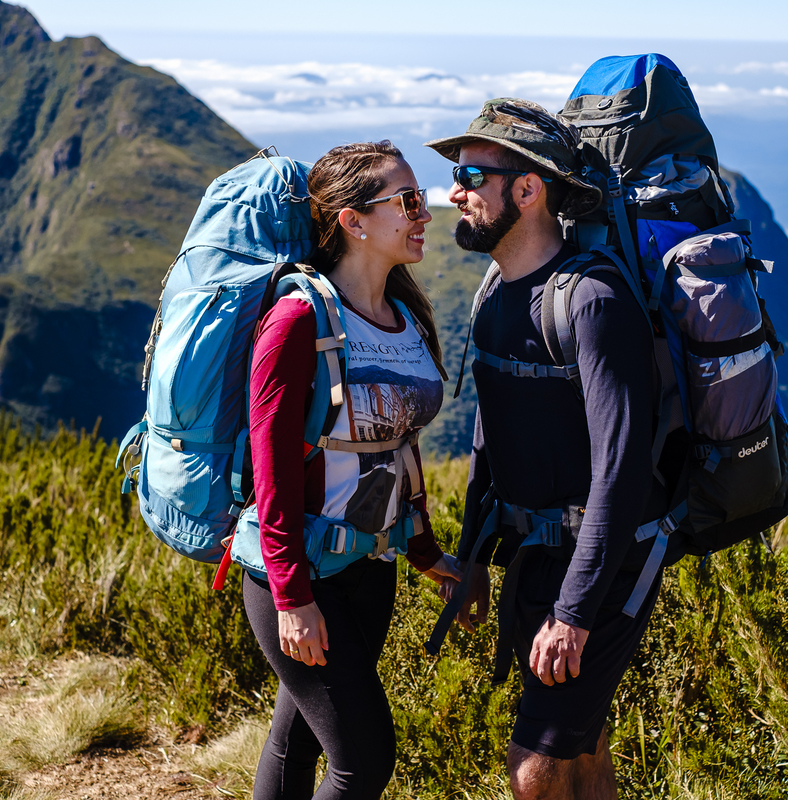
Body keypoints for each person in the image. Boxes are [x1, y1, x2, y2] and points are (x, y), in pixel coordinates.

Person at [425, 100, 676, 800]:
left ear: (529, 189)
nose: (455, 192)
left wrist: (573, 612)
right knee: (582, 744)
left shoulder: (593, 302)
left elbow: (621, 472)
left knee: (532, 768)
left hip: (609, 567)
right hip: (536, 557)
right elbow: (489, 439)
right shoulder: (495, 296)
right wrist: (475, 560)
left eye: (472, 174)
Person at [241, 141, 461, 800]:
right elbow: (271, 468)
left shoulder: (404, 319)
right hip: (305, 575)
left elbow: (400, 448)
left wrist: (423, 551)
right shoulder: (297, 319)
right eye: (409, 201)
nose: (426, 213)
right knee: (364, 758)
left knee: (297, 740)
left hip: (373, 566)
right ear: (352, 221)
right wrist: (292, 595)